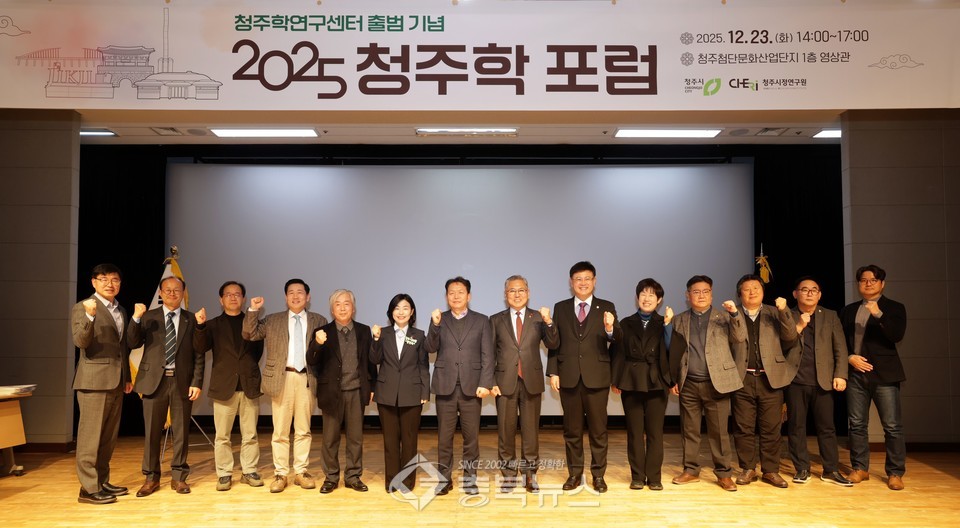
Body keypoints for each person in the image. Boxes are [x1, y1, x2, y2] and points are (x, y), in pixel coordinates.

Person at [243, 278, 327, 493]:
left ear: (308, 296)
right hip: (282, 378)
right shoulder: (273, 320)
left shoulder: (319, 320)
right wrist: (253, 310)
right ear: (285, 297)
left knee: (303, 429)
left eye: (300, 292)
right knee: (280, 430)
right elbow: (250, 333)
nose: (296, 296)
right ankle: (280, 474)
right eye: (291, 292)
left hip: (307, 378)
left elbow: (324, 352)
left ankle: (301, 472)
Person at [547, 261, 621, 493]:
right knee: (572, 431)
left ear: (594, 281)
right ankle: (574, 474)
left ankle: (598, 475)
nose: (583, 283)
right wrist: (553, 371)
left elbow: (617, 340)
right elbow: (555, 343)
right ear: (571, 282)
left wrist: (609, 328)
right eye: (578, 279)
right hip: (568, 376)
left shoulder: (606, 306)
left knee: (598, 431)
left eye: (587, 278)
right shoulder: (561, 308)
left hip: (597, 377)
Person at [127, 276, 203, 496]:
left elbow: (199, 354)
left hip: (182, 382)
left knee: (181, 432)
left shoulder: (191, 319)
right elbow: (132, 342)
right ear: (160, 293)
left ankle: (179, 477)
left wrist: (196, 382)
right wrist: (136, 318)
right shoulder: (147, 317)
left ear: (183, 293)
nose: (172, 293)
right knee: (152, 433)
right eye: (167, 290)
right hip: (153, 382)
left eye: (176, 289)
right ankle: (151, 477)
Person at [669, 274, 746, 491]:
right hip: (688, 383)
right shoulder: (679, 320)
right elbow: (673, 353)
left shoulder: (724, 317)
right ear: (688, 295)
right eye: (696, 291)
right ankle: (691, 470)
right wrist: (673, 379)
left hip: (717, 383)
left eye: (705, 291)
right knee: (689, 430)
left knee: (719, 432)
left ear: (711, 294)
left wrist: (735, 313)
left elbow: (740, 337)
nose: (701, 295)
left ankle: (724, 473)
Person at [424, 276, 495, 495]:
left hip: (472, 387)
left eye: (460, 292)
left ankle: (470, 480)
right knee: (444, 438)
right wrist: (435, 325)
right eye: (451, 293)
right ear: (446, 296)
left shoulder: (482, 320)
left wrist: (485, 383)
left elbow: (488, 355)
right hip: (445, 385)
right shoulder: (439, 319)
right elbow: (430, 347)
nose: (456, 296)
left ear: (469, 296)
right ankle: (443, 480)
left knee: (471, 438)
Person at [840, 264, 908, 491]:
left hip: (885, 374)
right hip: (855, 374)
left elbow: (896, 335)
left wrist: (878, 314)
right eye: (863, 280)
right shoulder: (848, 310)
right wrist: (849, 357)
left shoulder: (895, 308)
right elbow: (840, 341)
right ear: (858, 284)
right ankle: (860, 468)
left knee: (892, 426)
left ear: (882, 283)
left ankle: (895, 472)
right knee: (857, 425)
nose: (868, 283)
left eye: (873, 280)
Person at [490, 275, 559, 493]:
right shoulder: (495, 320)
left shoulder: (539, 317)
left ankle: (530, 475)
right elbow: (489, 354)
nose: (517, 294)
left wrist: (549, 322)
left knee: (530, 432)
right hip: (504, 383)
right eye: (512, 291)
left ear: (528, 293)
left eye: (521, 290)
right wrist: (491, 381)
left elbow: (553, 343)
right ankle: (509, 475)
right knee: (505, 431)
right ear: (505, 295)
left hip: (531, 381)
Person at [193, 281, 264, 491]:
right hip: (224, 386)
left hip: (249, 384)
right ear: (221, 299)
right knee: (222, 435)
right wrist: (200, 326)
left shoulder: (252, 322)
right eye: (228, 294)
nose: (233, 297)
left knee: (250, 434)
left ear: (243, 298)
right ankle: (224, 474)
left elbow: (257, 352)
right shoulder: (212, 325)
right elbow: (200, 347)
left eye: (237, 294)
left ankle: (249, 470)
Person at [71, 263, 133, 505]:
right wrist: (90, 316)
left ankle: (101, 481)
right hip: (93, 382)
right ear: (93, 282)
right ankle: (88, 489)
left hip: (116, 381)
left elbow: (122, 348)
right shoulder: (83, 307)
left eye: (115, 279)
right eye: (104, 279)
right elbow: (80, 341)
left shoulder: (121, 310)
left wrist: (126, 377)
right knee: (90, 438)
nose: (110, 284)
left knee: (107, 438)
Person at [730, 274, 798, 489]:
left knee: (771, 428)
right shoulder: (731, 314)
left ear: (763, 291)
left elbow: (791, 337)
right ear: (739, 293)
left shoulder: (774, 312)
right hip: (742, 378)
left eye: (756, 288)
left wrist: (784, 311)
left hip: (771, 378)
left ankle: (770, 470)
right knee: (743, 427)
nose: (752, 292)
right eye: (747, 289)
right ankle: (747, 468)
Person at [306, 289, 377, 494]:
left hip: (356, 391)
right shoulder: (322, 332)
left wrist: (372, 386)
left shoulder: (363, 331)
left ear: (353, 308)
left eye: (347, 304)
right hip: (331, 392)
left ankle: (353, 476)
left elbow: (370, 362)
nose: (343, 308)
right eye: (338, 304)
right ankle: (331, 477)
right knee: (330, 439)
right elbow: (311, 360)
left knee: (355, 438)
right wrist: (317, 344)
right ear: (332, 309)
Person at [787, 276, 852, 486]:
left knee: (827, 428)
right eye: (804, 289)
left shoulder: (830, 315)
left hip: (823, 381)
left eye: (814, 290)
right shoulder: (787, 315)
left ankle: (831, 470)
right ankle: (802, 468)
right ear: (795, 294)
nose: (809, 293)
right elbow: (781, 344)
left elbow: (840, 347)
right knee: (796, 427)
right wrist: (798, 325)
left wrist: (840, 374)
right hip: (795, 381)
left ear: (819, 294)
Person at [611, 278, 673, 491]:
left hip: (657, 381)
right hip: (631, 381)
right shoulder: (626, 323)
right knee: (635, 432)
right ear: (637, 298)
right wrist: (616, 380)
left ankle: (654, 477)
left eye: (652, 295)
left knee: (655, 433)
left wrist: (668, 326)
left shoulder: (664, 322)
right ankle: (637, 476)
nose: (647, 298)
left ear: (659, 300)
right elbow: (618, 353)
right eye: (643, 294)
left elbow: (671, 350)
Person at [369, 293, 429, 493]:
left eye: (405, 308)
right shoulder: (382, 333)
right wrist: (375, 339)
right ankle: (392, 481)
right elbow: (374, 360)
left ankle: (407, 482)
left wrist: (425, 391)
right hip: (386, 393)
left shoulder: (419, 335)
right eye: (397, 308)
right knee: (390, 442)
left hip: (412, 394)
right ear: (391, 312)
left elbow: (423, 365)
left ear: (412, 312)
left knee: (410, 442)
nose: (401, 312)